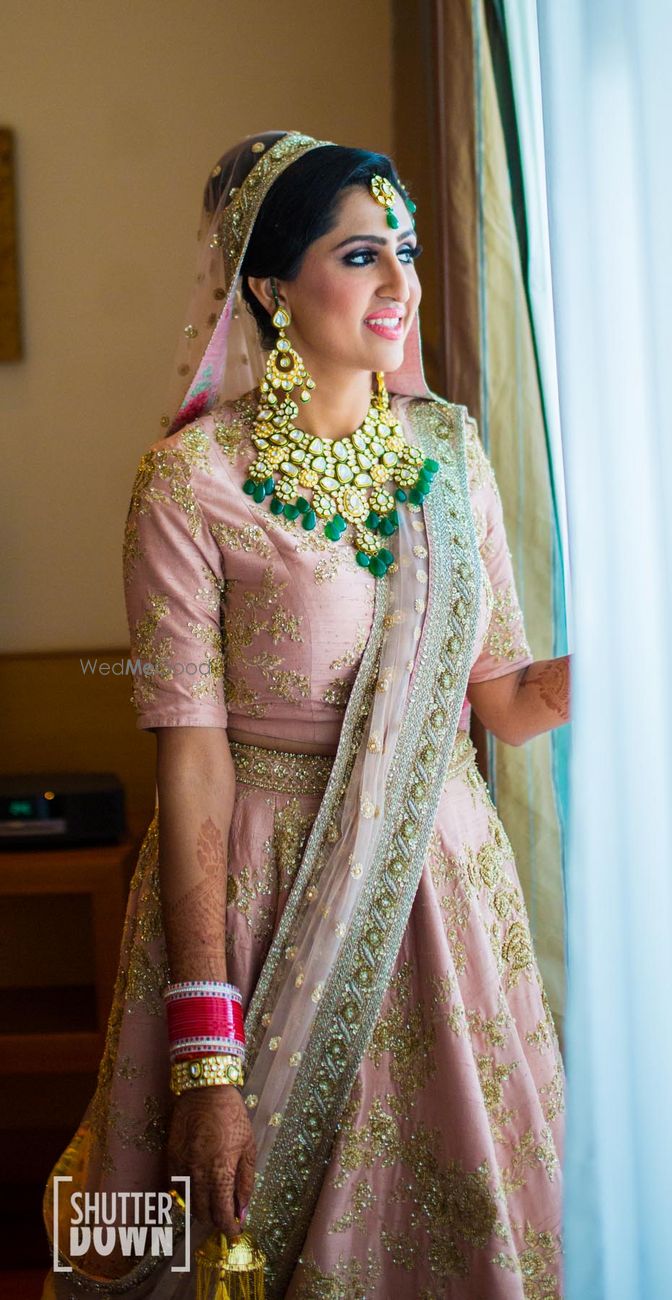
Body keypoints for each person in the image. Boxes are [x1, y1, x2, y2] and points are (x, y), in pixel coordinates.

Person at [41, 131, 570, 1298]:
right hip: (264, 890)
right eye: (363, 254)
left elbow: (505, 703)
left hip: (446, 897)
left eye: (411, 253)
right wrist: (208, 1062)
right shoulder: (192, 485)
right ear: (273, 287)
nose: (402, 286)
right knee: (224, 1243)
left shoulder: (451, 454)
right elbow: (194, 775)